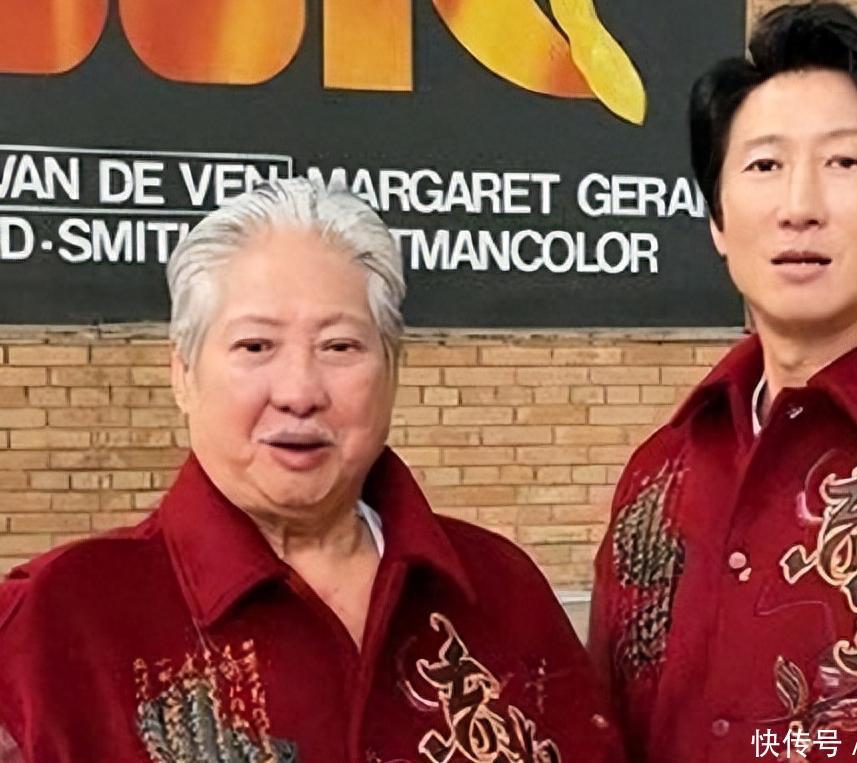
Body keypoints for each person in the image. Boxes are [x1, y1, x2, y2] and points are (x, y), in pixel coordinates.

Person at [0, 178, 623, 762]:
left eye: (339, 347)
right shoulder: (55, 624)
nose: (299, 392)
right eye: (255, 346)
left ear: (392, 370)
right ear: (183, 373)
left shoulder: (500, 589)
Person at [589, 3, 857, 761]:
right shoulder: (661, 474)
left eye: (844, 163)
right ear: (718, 221)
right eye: (764, 166)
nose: (799, 208)